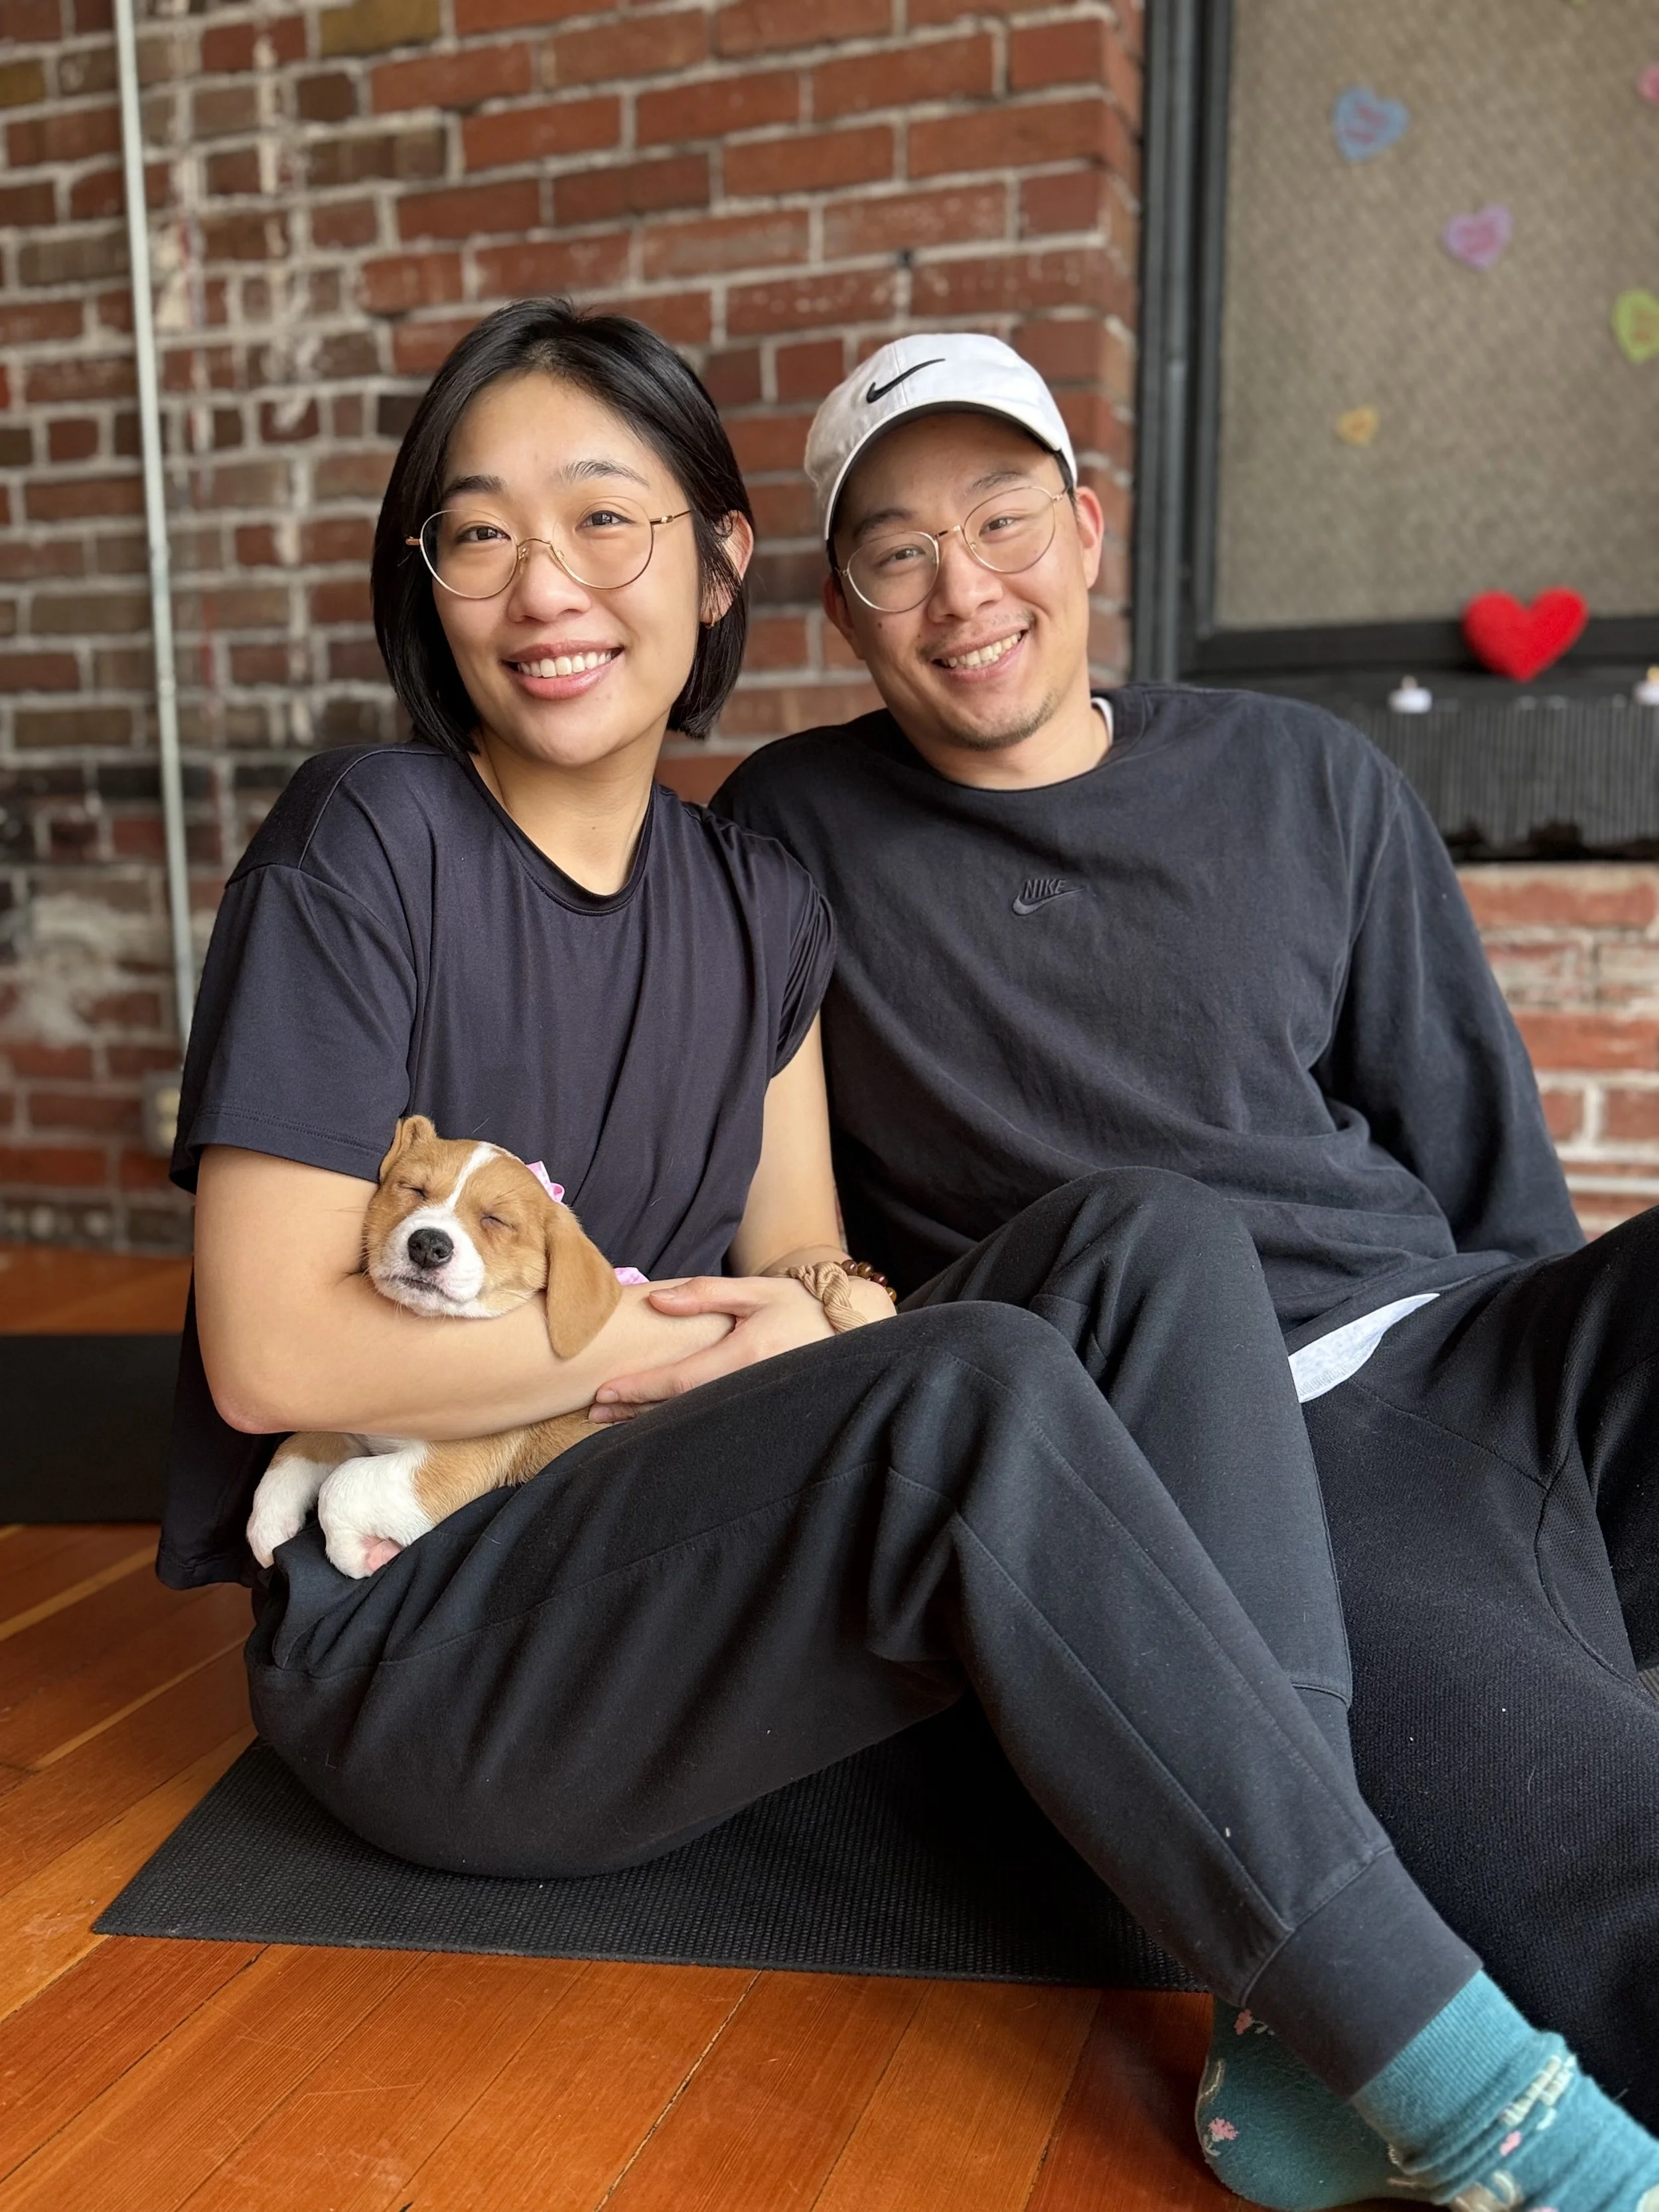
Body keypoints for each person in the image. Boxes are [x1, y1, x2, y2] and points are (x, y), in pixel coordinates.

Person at [162, 299, 1657, 2212]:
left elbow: (812, 1277)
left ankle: (1294, 1978)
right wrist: (646, 1347)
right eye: (476, 530)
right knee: (977, 1396)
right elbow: (268, 1353)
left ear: (711, 570)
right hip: (425, 1617)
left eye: (604, 519)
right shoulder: (365, 840)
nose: (546, 582)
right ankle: (1476, 2106)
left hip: (651, 1535)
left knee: (1154, 1230)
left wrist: (785, 1317)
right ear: (428, 580)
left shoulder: (747, 892)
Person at [692, 331, 1659, 2171]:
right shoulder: (787, 841)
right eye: (896, 551)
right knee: (1605, 1862)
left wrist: (1561, 1452)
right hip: (1241, 1459)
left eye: (1001, 520)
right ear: (841, 604)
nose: (962, 590)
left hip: (1479, 1351)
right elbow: (779, 1227)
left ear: (1085, 522)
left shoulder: (1303, 773)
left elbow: (1482, 1153)